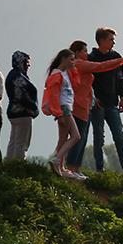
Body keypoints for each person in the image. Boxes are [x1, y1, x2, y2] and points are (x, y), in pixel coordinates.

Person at [62, 39, 123, 176]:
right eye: (84, 51)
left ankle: (73, 168)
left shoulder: (81, 63)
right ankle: (70, 167)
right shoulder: (79, 63)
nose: (87, 53)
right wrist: (122, 60)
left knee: (81, 137)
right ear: (78, 53)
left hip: (88, 105)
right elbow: (100, 66)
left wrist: (120, 96)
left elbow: (88, 84)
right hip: (81, 106)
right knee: (81, 137)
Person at [88, 27, 123, 180]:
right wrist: (92, 97)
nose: (113, 42)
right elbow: (87, 81)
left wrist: (122, 98)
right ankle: (99, 170)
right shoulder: (92, 58)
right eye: (111, 39)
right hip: (97, 105)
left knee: (119, 136)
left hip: (112, 103)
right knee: (99, 137)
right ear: (102, 40)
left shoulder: (117, 57)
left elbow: (120, 80)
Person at [42, 49, 84, 180]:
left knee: (63, 139)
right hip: (64, 109)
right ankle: (57, 159)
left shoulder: (65, 73)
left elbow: (77, 84)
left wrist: (74, 69)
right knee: (76, 136)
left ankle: (60, 167)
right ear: (63, 59)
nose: (73, 62)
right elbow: (54, 95)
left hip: (66, 108)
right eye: (71, 59)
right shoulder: (56, 74)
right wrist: (59, 114)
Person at [5, 51, 38, 161]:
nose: (28, 66)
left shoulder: (12, 75)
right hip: (23, 113)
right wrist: (33, 107)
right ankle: (18, 166)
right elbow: (21, 96)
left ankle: (9, 164)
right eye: (26, 63)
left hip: (13, 112)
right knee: (22, 143)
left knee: (13, 141)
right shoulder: (18, 77)